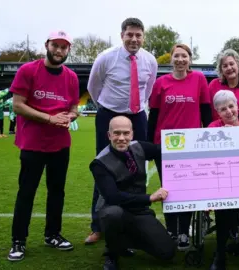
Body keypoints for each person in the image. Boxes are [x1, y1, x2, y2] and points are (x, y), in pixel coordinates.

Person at [7, 30, 79, 261]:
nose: (59, 50)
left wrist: (69, 116)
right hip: (33, 143)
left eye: (64, 47)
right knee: (27, 192)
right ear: (47, 45)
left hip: (60, 144)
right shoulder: (27, 70)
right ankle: (18, 241)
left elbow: (74, 109)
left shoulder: (71, 77)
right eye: (55, 45)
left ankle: (53, 234)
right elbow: (18, 105)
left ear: (68, 50)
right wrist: (49, 118)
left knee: (57, 192)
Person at [86, 17, 158, 244]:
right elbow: (93, 88)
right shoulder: (106, 58)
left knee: (137, 169)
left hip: (137, 116)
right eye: (130, 35)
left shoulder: (150, 60)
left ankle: (135, 223)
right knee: (105, 168)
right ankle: (98, 225)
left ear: (143, 37)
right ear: (122, 36)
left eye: (138, 35)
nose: (134, 39)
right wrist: (110, 112)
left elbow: (148, 89)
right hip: (109, 114)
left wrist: (135, 110)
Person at [148, 43, 212, 250]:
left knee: (187, 190)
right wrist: (150, 145)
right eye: (176, 56)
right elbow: (154, 115)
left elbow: (205, 111)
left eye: (184, 56)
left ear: (190, 60)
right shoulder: (160, 83)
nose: (180, 60)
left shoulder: (199, 79)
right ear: (171, 59)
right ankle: (171, 231)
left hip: (190, 146)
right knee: (168, 190)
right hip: (164, 146)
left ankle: (184, 232)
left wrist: (207, 138)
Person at [90, 116, 176, 270]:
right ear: (109, 135)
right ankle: (112, 253)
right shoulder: (99, 163)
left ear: (132, 134)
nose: (121, 138)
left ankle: (127, 239)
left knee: (167, 253)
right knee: (113, 214)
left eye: (125, 133)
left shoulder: (139, 146)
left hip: (139, 211)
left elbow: (164, 150)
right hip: (113, 209)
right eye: (116, 133)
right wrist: (149, 197)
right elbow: (113, 197)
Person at [207, 90, 239, 270]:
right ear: (218, 112)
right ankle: (220, 252)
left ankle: (222, 249)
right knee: (223, 203)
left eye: (231, 106)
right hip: (221, 184)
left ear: (238, 107)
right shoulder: (212, 129)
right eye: (223, 109)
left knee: (225, 206)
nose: (228, 111)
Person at [208, 49, 239, 122]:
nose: (229, 68)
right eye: (225, 66)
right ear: (221, 70)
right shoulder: (213, 85)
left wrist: (231, 126)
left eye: (231, 64)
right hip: (217, 129)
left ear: (238, 65)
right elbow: (209, 110)